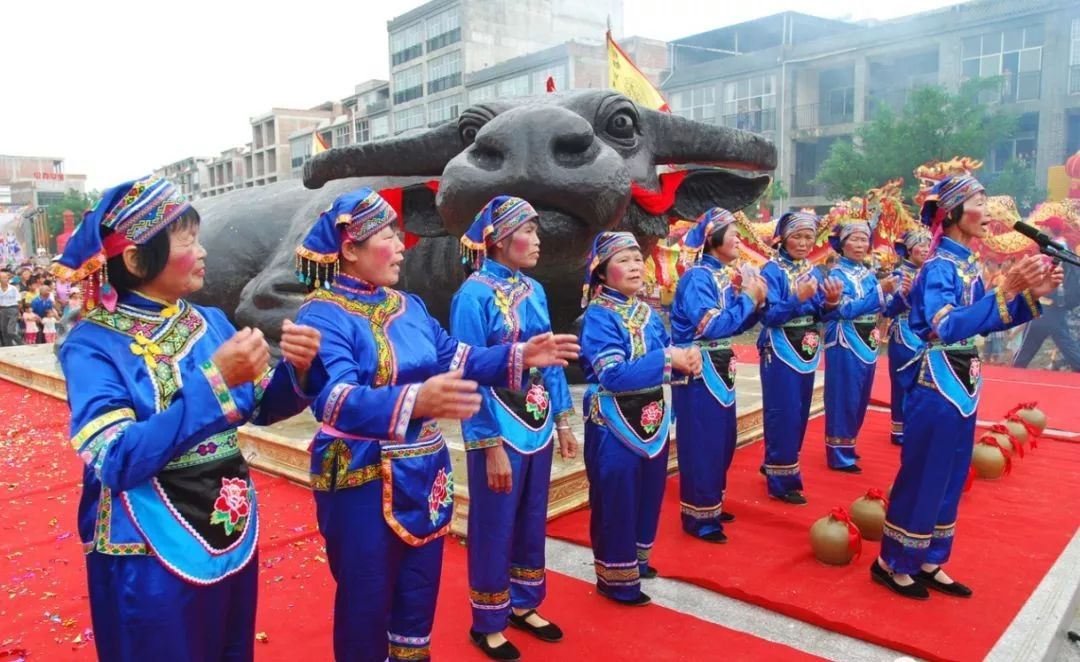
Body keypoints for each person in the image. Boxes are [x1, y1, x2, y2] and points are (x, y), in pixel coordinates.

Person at [292, 187, 579, 662]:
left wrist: (519, 354)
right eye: (388, 235)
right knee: (366, 601)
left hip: (427, 474)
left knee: (418, 593)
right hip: (364, 477)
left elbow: (458, 357)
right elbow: (334, 399)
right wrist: (417, 398)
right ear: (350, 248)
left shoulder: (410, 307)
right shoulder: (322, 313)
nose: (402, 245)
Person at [51, 175, 322, 661]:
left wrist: (300, 369)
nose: (201, 252)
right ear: (135, 259)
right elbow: (117, 459)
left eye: (197, 238)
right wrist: (216, 382)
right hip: (146, 540)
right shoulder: (92, 344)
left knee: (229, 646)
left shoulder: (209, 321)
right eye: (186, 241)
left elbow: (261, 404)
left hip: (227, 516)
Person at [873, 175, 1061, 600]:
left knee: (953, 471)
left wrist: (1032, 297)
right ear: (954, 212)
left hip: (964, 378)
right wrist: (1004, 291)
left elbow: (986, 318)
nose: (989, 210)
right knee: (924, 471)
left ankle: (928, 557)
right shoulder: (938, 267)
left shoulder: (966, 265)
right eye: (980, 201)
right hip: (936, 378)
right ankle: (891, 561)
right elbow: (947, 325)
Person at [449, 195, 578, 661]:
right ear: (501, 240)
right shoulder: (473, 295)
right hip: (499, 424)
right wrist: (486, 445)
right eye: (530, 231)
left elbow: (552, 359)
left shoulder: (535, 291)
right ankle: (487, 620)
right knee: (493, 522)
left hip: (539, 420)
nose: (538, 241)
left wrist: (563, 420)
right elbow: (466, 373)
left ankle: (524, 603)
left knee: (531, 515)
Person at [579, 231, 702, 607]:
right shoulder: (597, 317)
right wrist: (670, 360)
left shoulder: (647, 312)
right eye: (623, 260)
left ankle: (636, 561)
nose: (634, 265)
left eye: (637, 258)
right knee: (617, 496)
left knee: (649, 493)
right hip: (613, 421)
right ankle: (615, 577)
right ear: (601, 273)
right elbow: (613, 374)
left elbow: (665, 354)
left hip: (651, 416)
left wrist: (685, 361)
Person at [669, 208, 765, 543]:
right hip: (697, 367)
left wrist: (756, 304)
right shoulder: (697, 277)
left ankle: (710, 504)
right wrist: (748, 300)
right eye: (734, 233)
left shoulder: (723, 276)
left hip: (721, 367)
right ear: (713, 239)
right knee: (701, 442)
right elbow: (711, 326)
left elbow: (735, 325)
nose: (740, 239)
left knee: (722, 440)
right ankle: (699, 515)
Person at [757, 212, 843, 504]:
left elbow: (821, 313)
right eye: (797, 236)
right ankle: (782, 481)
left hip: (806, 347)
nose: (804, 243)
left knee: (800, 412)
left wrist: (830, 301)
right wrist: (797, 298)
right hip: (780, 347)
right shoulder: (772, 271)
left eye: (809, 237)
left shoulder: (813, 270)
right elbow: (769, 316)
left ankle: (776, 462)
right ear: (783, 237)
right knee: (784, 412)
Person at [823, 218, 897, 472]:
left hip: (868, 338)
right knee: (844, 395)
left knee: (861, 396)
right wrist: (879, 291)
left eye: (864, 239)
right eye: (854, 239)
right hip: (845, 339)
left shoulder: (866, 274)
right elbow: (844, 309)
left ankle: (848, 445)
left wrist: (896, 294)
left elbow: (881, 305)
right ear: (842, 244)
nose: (859, 244)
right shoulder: (836, 274)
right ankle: (838, 452)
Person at [1012, 216, 1080, 371]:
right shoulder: (1066, 249)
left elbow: (1041, 276)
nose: (1041, 229)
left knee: (1025, 350)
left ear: (1049, 229)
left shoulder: (1051, 251)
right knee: (1067, 345)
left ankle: (1011, 375)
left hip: (1045, 305)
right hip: (1059, 306)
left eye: (1044, 226)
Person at [882, 229, 931, 444]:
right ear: (909, 250)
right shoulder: (899, 275)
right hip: (904, 333)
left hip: (927, 334)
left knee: (925, 382)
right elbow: (888, 310)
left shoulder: (930, 272)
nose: (926, 250)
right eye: (921, 245)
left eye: (930, 246)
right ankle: (899, 429)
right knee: (902, 382)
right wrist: (905, 296)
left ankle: (919, 426)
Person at [0, 268, 21, 346]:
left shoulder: (13, 288)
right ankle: (8, 346)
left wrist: (19, 312)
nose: (5, 279)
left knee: (10, 330)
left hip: (13, 308)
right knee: (4, 330)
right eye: (3, 278)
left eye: (6, 278)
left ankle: (21, 342)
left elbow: (19, 301)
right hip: (2, 310)